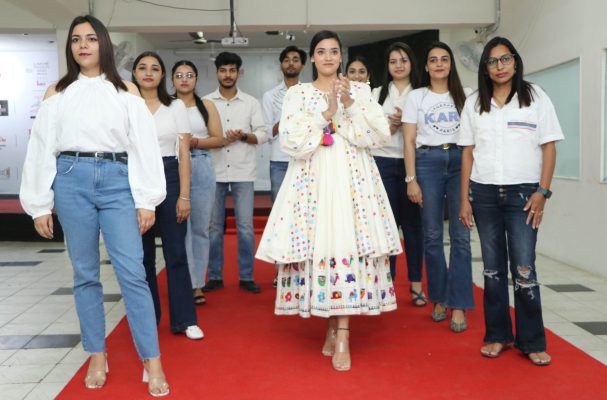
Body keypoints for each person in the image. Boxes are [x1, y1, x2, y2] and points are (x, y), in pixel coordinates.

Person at [19, 15, 169, 396]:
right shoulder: (57, 92)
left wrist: (147, 198)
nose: (82, 45)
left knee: (132, 273)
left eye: (90, 38)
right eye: (75, 40)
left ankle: (152, 361)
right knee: (85, 275)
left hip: (119, 180)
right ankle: (97, 355)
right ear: (69, 48)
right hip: (71, 178)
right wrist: (38, 203)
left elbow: (143, 147)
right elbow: (41, 148)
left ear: (103, 43)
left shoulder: (127, 91)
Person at [256, 30, 402, 372]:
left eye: (334, 51)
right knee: (323, 246)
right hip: (313, 179)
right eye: (321, 51)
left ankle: (343, 335)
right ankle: (330, 324)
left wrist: (348, 104)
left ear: (341, 56)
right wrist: (327, 113)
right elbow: (290, 142)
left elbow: (378, 136)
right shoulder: (299, 94)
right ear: (312, 58)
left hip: (354, 178)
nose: (328, 57)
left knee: (348, 246)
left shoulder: (361, 90)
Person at [458, 37, 563, 366]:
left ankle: (531, 340)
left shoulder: (535, 98)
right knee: (491, 270)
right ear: (485, 69)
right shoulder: (475, 103)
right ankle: (497, 335)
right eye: (492, 61)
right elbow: (467, 153)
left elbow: (549, 147)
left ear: (515, 62)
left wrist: (542, 192)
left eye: (505, 59)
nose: (500, 66)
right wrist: (464, 199)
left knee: (524, 268)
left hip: (524, 195)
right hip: (485, 193)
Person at [402, 41, 474, 332]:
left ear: (451, 64)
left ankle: (459, 305)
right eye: (433, 60)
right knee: (432, 236)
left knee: (461, 235)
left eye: (445, 59)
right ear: (427, 66)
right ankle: (440, 298)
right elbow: (408, 141)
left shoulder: (466, 96)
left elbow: (473, 140)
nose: (439, 64)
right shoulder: (417, 97)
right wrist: (411, 179)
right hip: (428, 163)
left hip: (459, 162)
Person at [132, 51, 203, 340]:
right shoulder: (127, 105)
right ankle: (149, 319)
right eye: (142, 68)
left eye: (155, 68)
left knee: (176, 252)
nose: (148, 73)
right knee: (142, 256)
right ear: (134, 73)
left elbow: (184, 153)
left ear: (163, 75)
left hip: (170, 172)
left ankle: (185, 319)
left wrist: (184, 195)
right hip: (136, 178)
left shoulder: (175, 106)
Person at [203, 52, 269, 294]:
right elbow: (200, 135)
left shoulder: (251, 102)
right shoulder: (206, 102)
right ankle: (214, 276)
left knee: (245, 227)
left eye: (232, 70)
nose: (228, 75)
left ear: (239, 73)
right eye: (223, 70)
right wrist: (219, 140)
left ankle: (246, 277)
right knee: (213, 227)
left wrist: (242, 136)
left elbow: (263, 134)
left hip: (243, 172)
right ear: (217, 73)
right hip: (214, 172)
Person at [370, 42, 425, 306]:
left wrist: (409, 124)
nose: (399, 65)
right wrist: (390, 128)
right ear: (387, 66)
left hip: (412, 165)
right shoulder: (377, 93)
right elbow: (369, 134)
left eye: (403, 59)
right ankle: (386, 283)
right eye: (393, 61)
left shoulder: (422, 94)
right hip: (382, 162)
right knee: (387, 228)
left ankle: (416, 284)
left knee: (414, 226)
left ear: (411, 63)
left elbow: (431, 133)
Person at [172, 60, 225, 306]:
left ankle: (197, 284)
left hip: (201, 164)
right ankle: (182, 279)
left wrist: (192, 142)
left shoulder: (207, 105)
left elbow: (218, 139)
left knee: (201, 228)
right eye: (179, 75)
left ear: (195, 79)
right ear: (172, 79)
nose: (184, 79)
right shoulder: (166, 105)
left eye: (189, 75)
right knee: (178, 227)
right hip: (173, 165)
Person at [261, 45, 306, 288]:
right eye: (286, 60)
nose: (291, 63)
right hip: (279, 162)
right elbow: (266, 132)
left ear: (302, 65)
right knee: (281, 218)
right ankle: (281, 270)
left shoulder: (310, 92)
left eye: (295, 60)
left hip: (306, 161)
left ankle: (303, 268)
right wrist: (285, 120)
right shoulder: (270, 96)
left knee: (305, 217)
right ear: (281, 65)